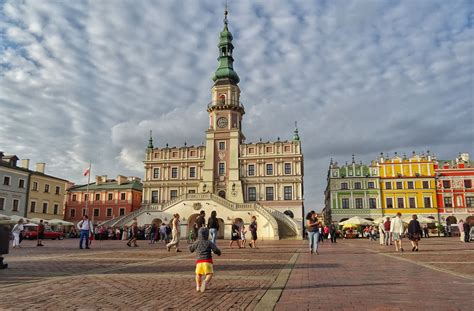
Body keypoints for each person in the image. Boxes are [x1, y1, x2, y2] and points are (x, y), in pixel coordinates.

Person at [189, 227, 221, 293]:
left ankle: (198, 286)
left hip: (199, 262)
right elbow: (215, 250)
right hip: (208, 261)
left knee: (198, 274)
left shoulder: (197, 242)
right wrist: (219, 252)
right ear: (207, 234)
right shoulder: (209, 242)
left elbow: (191, 249)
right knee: (210, 274)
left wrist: (189, 247)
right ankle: (205, 282)